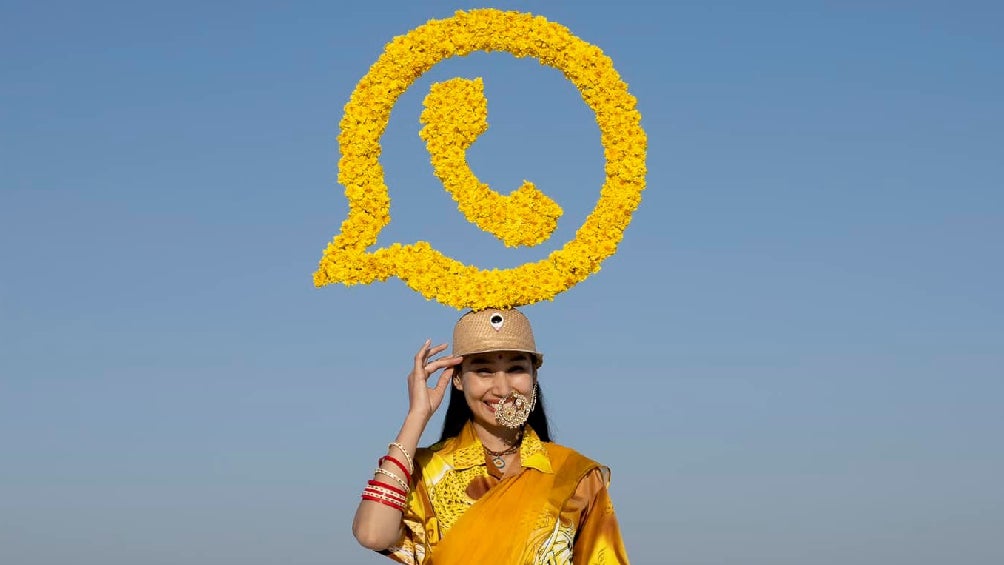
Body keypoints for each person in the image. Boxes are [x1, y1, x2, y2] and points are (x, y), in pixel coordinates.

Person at [352, 308, 630, 564]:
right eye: (483, 371)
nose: (502, 388)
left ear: (534, 375)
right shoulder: (427, 471)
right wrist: (417, 415)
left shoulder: (575, 475)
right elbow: (372, 535)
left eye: (516, 369)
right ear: (457, 378)